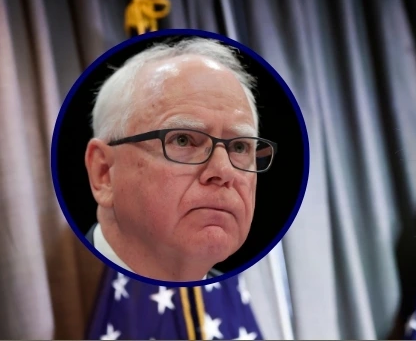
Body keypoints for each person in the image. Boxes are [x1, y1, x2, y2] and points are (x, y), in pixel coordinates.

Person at [84, 37, 276, 282]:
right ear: (103, 173)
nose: (224, 171)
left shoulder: (235, 305)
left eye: (239, 146)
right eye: (183, 140)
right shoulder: (62, 293)